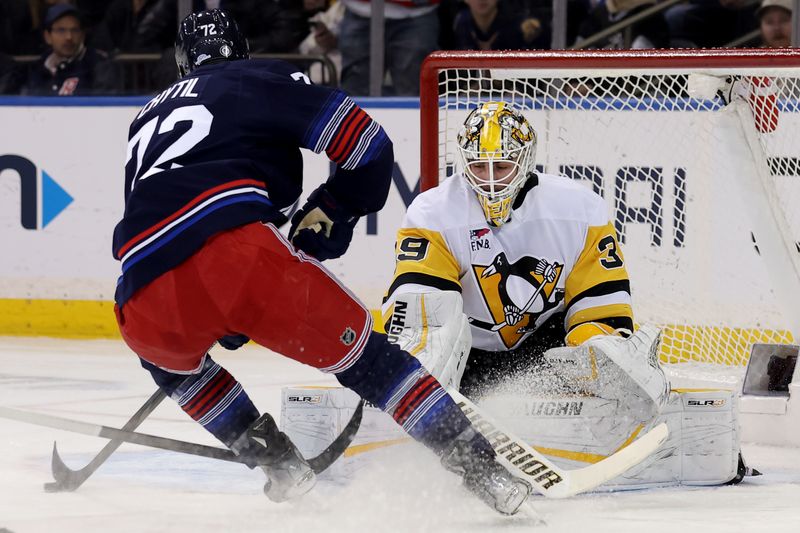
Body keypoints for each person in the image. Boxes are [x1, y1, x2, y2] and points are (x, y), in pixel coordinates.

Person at [112, 8, 530, 515]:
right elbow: (368, 145)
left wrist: (221, 309)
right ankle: (483, 470)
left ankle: (275, 462)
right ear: (240, 51)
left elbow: (161, 224)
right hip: (239, 257)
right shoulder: (255, 78)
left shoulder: (145, 114)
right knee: (369, 363)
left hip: (140, 292)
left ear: (181, 63)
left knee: (168, 366)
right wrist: (337, 207)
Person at [285, 102, 752, 489]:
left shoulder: (579, 208)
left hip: (543, 358)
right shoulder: (433, 209)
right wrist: (420, 372)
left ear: (526, 161)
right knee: (421, 334)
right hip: (466, 355)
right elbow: (423, 302)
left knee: (614, 357)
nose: (490, 178)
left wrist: (593, 350)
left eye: (502, 165)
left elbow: (601, 299)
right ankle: (420, 397)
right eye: (479, 166)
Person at [21, 4, 119, 95]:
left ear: (83, 35)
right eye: (61, 30)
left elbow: (103, 105)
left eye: (75, 30)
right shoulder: (38, 68)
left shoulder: (99, 65)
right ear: (48, 36)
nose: (69, 37)